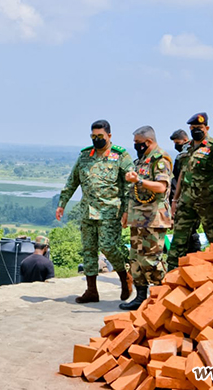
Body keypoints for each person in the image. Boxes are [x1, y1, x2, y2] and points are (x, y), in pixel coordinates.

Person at [56, 120, 134, 303]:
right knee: (88, 250)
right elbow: (72, 181)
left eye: (100, 136)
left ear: (109, 136)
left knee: (108, 247)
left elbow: (129, 186)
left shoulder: (120, 156)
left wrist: (127, 211)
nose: (97, 140)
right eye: (94, 136)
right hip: (87, 212)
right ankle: (92, 290)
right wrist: (62, 203)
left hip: (110, 211)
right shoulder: (85, 156)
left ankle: (125, 277)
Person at [119, 126, 172, 310]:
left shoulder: (160, 159)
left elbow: (161, 187)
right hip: (137, 217)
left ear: (148, 142)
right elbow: (133, 191)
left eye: (138, 143)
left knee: (151, 260)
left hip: (154, 218)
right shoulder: (141, 161)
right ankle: (140, 297)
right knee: (135, 259)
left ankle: (161, 298)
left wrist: (139, 181)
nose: (136, 146)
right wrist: (126, 213)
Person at [169, 113, 213, 270]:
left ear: (207, 128)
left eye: (200, 128)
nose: (196, 130)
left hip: (209, 202)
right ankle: (171, 278)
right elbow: (182, 174)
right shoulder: (187, 147)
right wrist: (175, 201)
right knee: (178, 241)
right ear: (189, 129)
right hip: (186, 202)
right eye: (194, 128)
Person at [169, 129, 201, 254]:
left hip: (191, 198)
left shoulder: (188, 155)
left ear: (185, 140)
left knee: (190, 232)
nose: (176, 146)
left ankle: (194, 256)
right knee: (185, 232)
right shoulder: (182, 155)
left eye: (178, 142)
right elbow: (177, 178)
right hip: (182, 198)